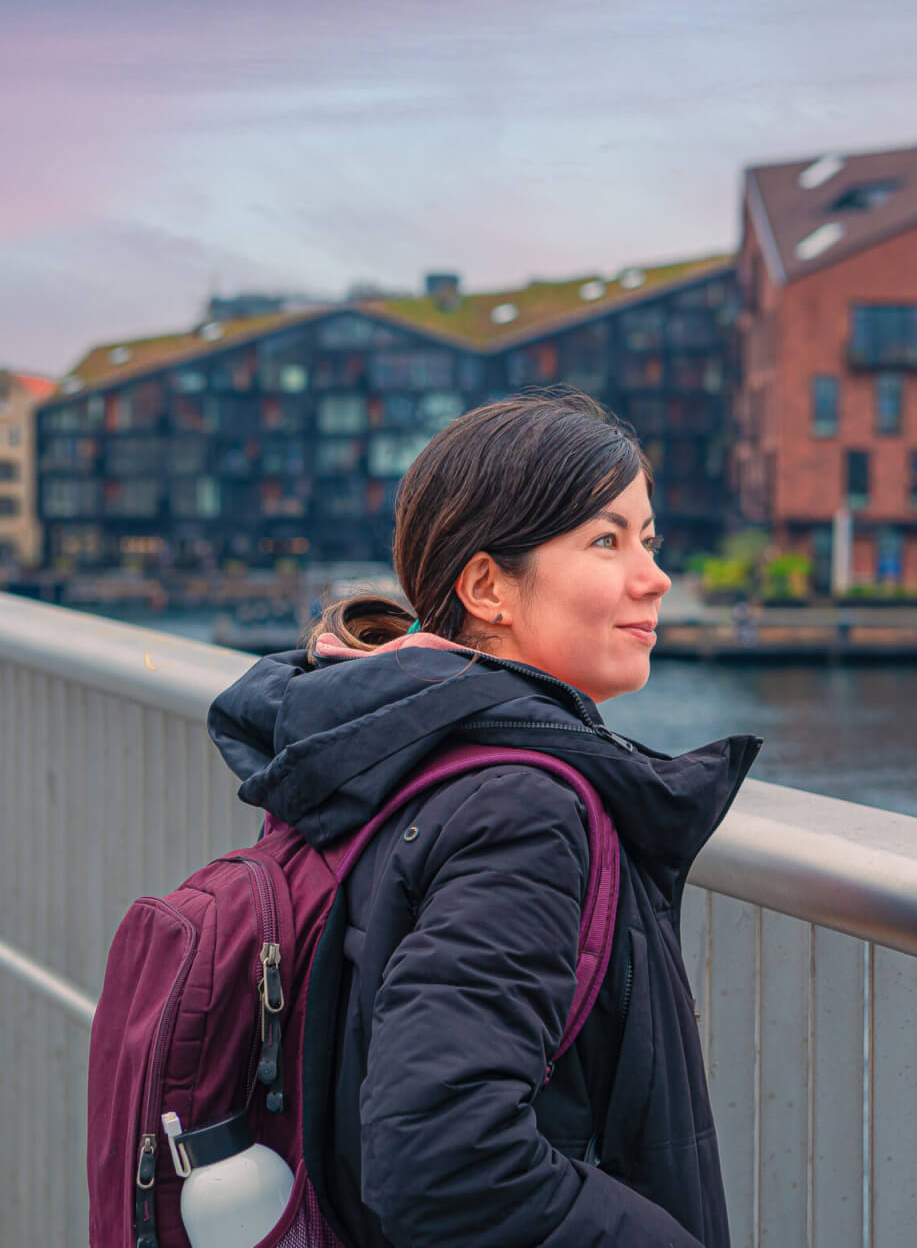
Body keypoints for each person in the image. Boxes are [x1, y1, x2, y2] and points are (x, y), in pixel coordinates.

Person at [207, 392, 760, 1247]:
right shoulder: (520, 808)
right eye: (605, 540)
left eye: (647, 539)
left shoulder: (384, 746)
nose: (655, 577)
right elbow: (441, 1154)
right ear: (487, 586)